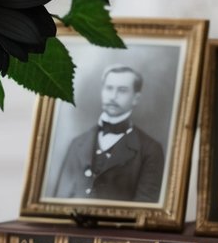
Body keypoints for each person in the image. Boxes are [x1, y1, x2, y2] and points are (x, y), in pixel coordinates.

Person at [51, 65, 165, 202]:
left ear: (136, 98)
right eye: (109, 88)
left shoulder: (150, 150)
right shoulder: (78, 143)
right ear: (102, 91)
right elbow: (59, 199)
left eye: (122, 90)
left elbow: (146, 207)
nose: (113, 96)